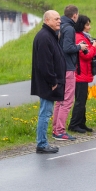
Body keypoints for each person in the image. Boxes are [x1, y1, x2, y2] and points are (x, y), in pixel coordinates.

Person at [31, 10, 66, 154]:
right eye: (56, 19)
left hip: (49, 81)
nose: (59, 21)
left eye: (59, 19)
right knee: (45, 113)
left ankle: (43, 142)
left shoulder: (50, 35)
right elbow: (45, 63)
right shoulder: (45, 37)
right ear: (47, 20)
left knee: (45, 112)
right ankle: (42, 143)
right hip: (48, 83)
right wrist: (53, 81)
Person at [54, 5, 87, 141]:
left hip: (59, 66)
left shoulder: (60, 26)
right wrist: (80, 47)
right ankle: (60, 131)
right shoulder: (69, 28)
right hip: (68, 67)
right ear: (74, 16)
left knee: (59, 100)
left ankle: (55, 129)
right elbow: (67, 48)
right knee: (67, 100)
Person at [68, 15, 96, 133]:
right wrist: (94, 47)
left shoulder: (82, 37)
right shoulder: (79, 38)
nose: (89, 27)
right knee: (80, 100)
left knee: (82, 99)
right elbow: (86, 55)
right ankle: (74, 124)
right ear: (81, 25)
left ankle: (81, 123)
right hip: (80, 73)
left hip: (82, 73)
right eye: (87, 25)